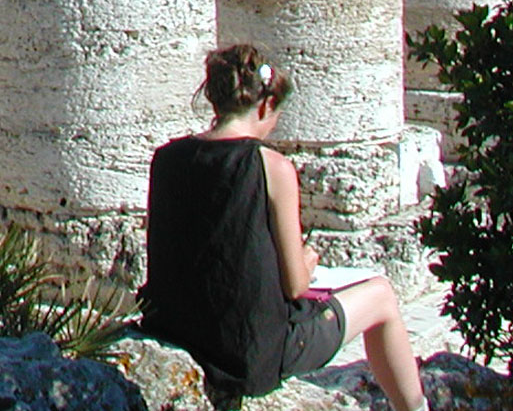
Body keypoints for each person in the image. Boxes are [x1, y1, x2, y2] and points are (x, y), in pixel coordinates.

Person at [138, 44, 427, 409]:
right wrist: (308, 260)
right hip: (249, 352)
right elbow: (294, 284)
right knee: (381, 293)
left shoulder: (166, 158)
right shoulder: (270, 166)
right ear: (265, 105)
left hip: (176, 329)